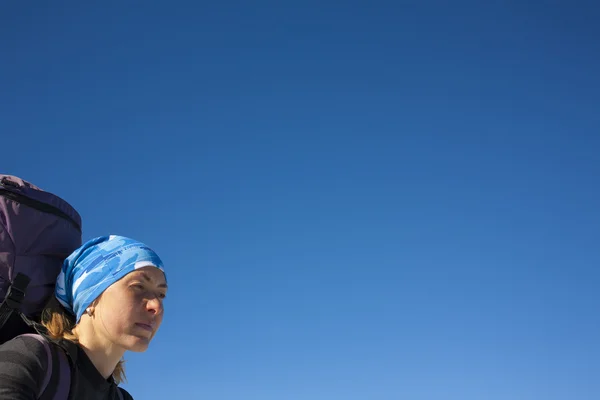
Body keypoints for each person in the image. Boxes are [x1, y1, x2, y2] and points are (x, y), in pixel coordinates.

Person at [0, 235, 168, 399]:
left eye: (161, 294)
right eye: (138, 286)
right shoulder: (32, 358)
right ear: (90, 297)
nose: (156, 306)